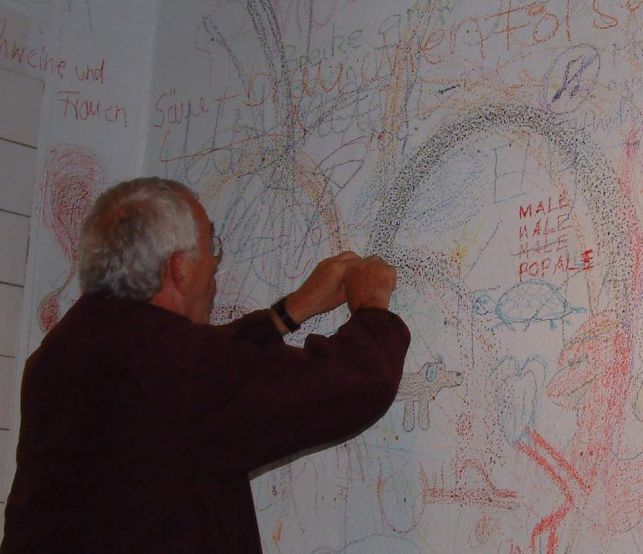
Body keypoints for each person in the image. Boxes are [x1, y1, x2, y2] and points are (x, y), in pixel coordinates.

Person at [1, 177, 410, 553]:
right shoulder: (174, 367)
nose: (215, 265)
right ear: (179, 268)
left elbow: (204, 372)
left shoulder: (64, 351)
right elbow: (351, 386)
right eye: (211, 249)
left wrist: (288, 312)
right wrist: (372, 306)